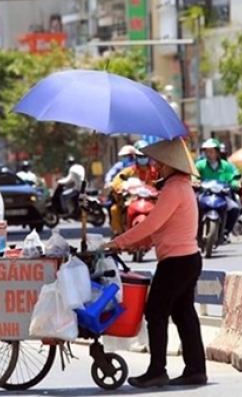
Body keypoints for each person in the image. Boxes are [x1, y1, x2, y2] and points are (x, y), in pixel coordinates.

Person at [101, 138, 206, 388]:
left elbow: (151, 223)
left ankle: (157, 370)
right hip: (188, 259)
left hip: (177, 262)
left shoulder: (174, 188)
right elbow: (160, 229)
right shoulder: (182, 186)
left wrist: (118, 242)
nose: (156, 165)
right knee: (184, 314)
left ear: (170, 164)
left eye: (160, 162)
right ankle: (196, 369)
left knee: (156, 312)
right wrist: (137, 243)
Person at [108, 141, 161, 235]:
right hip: (132, 199)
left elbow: (162, 182)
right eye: (140, 156)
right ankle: (118, 234)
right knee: (114, 209)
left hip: (151, 201)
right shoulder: (130, 170)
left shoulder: (155, 171)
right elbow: (117, 180)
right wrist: (119, 187)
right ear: (136, 156)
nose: (143, 158)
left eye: (145, 156)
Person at [194, 139, 241, 240]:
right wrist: (194, 181)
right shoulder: (200, 164)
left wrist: (235, 183)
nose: (208, 154)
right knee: (192, 208)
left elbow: (231, 178)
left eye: (211, 151)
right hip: (204, 194)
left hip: (221, 195)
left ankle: (225, 232)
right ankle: (193, 232)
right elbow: (193, 175)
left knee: (234, 208)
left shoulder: (225, 165)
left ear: (217, 152)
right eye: (206, 151)